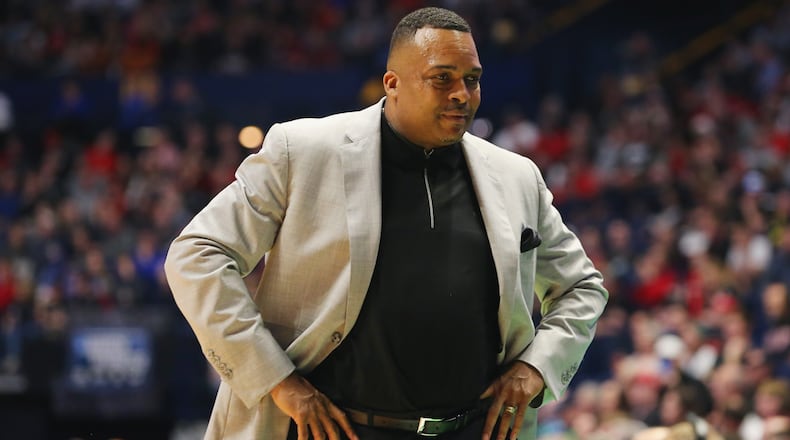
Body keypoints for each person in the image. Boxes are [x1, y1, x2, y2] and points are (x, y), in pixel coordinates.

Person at [164, 7, 607, 440]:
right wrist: (279, 381)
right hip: (332, 428)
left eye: (472, 79)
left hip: (474, 428)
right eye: (442, 78)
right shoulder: (302, 151)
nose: (461, 93)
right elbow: (196, 255)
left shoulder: (516, 176)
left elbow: (582, 287)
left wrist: (535, 367)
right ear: (392, 84)